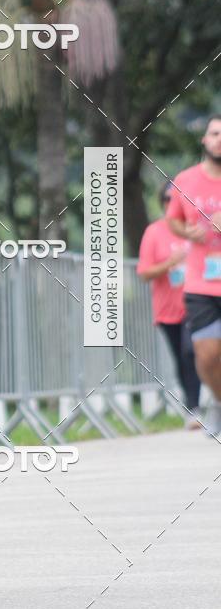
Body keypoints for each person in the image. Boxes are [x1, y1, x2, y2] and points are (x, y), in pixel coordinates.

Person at [167, 114, 221, 436]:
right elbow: (172, 220)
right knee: (206, 353)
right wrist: (187, 230)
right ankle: (217, 399)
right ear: (204, 140)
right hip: (201, 280)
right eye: (214, 133)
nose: (220, 139)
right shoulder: (185, 180)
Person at [137, 182, 201, 425]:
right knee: (181, 357)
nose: (172, 204)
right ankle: (193, 406)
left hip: (198, 303)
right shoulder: (154, 232)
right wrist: (169, 263)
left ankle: (197, 406)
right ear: (162, 203)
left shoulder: (198, 229)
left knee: (191, 350)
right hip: (167, 309)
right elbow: (144, 273)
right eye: (167, 199)